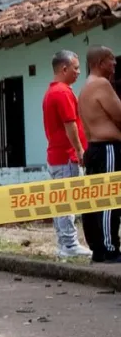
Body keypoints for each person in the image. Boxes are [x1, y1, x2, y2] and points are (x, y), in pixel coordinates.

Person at [42, 50, 91, 258]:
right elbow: (70, 125)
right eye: (76, 68)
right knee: (67, 201)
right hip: (65, 156)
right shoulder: (62, 92)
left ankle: (64, 243)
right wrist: (79, 150)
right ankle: (69, 244)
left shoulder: (52, 91)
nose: (79, 72)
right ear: (64, 69)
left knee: (61, 200)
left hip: (58, 156)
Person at [77, 46, 121, 263]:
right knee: (110, 198)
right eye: (111, 59)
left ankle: (98, 248)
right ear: (100, 62)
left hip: (94, 149)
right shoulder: (101, 84)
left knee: (94, 199)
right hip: (107, 149)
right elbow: (119, 115)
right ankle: (109, 248)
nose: (114, 63)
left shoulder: (85, 87)